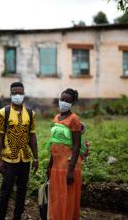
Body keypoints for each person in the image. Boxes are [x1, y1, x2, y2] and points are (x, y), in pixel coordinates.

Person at [0, 82, 39, 220]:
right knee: (5, 191)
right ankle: (0, 217)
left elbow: (32, 136)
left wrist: (36, 158)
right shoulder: (3, 113)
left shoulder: (31, 114)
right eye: (14, 93)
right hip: (9, 159)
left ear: (24, 94)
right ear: (10, 94)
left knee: (22, 191)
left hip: (25, 158)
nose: (17, 95)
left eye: (20, 92)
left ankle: (17, 216)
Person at [46, 88, 83, 220]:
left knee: (67, 198)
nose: (63, 102)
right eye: (62, 99)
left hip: (68, 165)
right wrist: (50, 165)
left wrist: (71, 169)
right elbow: (53, 142)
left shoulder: (74, 119)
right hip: (56, 164)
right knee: (57, 197)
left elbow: (77, 145)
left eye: (67, 100)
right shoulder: (56, 118)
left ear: (72, 103)